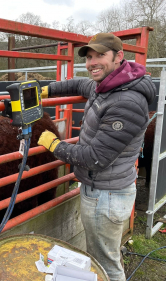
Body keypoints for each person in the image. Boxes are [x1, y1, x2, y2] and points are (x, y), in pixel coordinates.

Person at [37, 33, 156, 281]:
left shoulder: (126, 101)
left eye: (100, 55)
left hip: (106, 196)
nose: (92, 62)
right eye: (89, 57)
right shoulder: (108, 85)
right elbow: (80, 84)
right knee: (103, 255)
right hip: (104, 189)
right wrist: (44, 90)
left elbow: (94, 157)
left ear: (118, 57)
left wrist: (54, 144)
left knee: (105, 264)